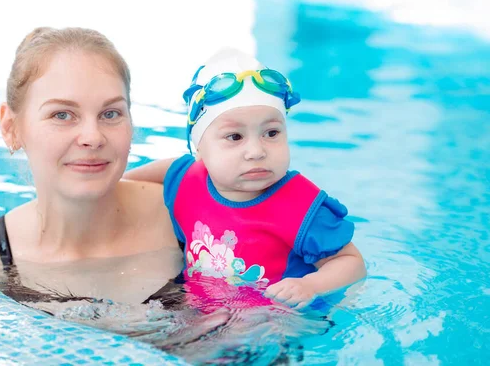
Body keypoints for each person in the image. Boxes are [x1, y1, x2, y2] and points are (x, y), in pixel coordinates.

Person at [0, 27, 184, 306]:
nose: (93, 137)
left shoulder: (187, 214)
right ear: (11, 128)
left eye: (110, 113)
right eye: (62, 114)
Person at [124, 48, 366, 309]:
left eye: (271, 133)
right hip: (199, 306)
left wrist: (310, 285)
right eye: (235, 137)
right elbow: (164, 170)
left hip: (272, 322)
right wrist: (119, 183)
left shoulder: (301, 206)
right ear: (199, 149)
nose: (256, 151)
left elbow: (352, 263)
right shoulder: (187, 179)